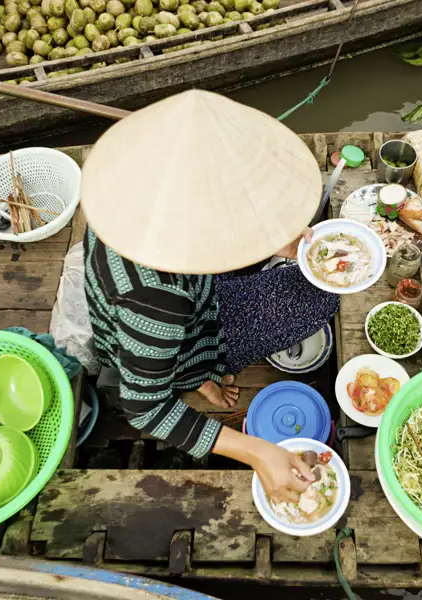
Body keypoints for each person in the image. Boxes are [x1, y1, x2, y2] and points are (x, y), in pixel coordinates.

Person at [80, 90, 339, 503]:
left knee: (305, 283)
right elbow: (145, 407)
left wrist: (271, 239)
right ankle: (196, 373)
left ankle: (199, 373)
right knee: (320, 299)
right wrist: (255, 450)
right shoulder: (156, 300)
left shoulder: (124, 200)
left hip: (184, 314)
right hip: (166, 343)